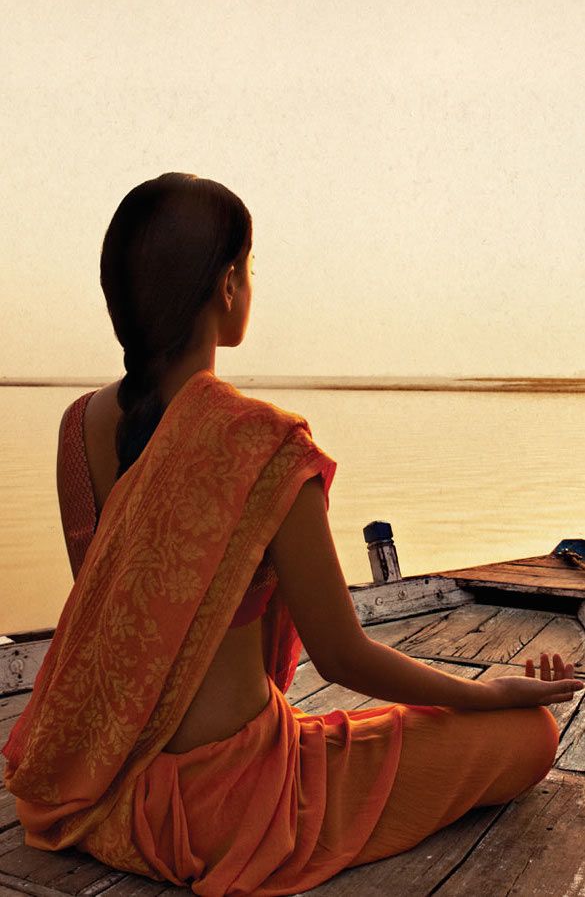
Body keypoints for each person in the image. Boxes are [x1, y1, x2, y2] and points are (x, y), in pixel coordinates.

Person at [2, 172, 582, 897]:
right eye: (249, 264)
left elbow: (119, 632)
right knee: (530, 735)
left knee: (355, 726)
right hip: (237, 805)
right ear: (225, 287)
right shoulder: (258, 441)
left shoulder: (75, 428)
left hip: (111, 785)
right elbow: (342, 655)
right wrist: (486, 693)